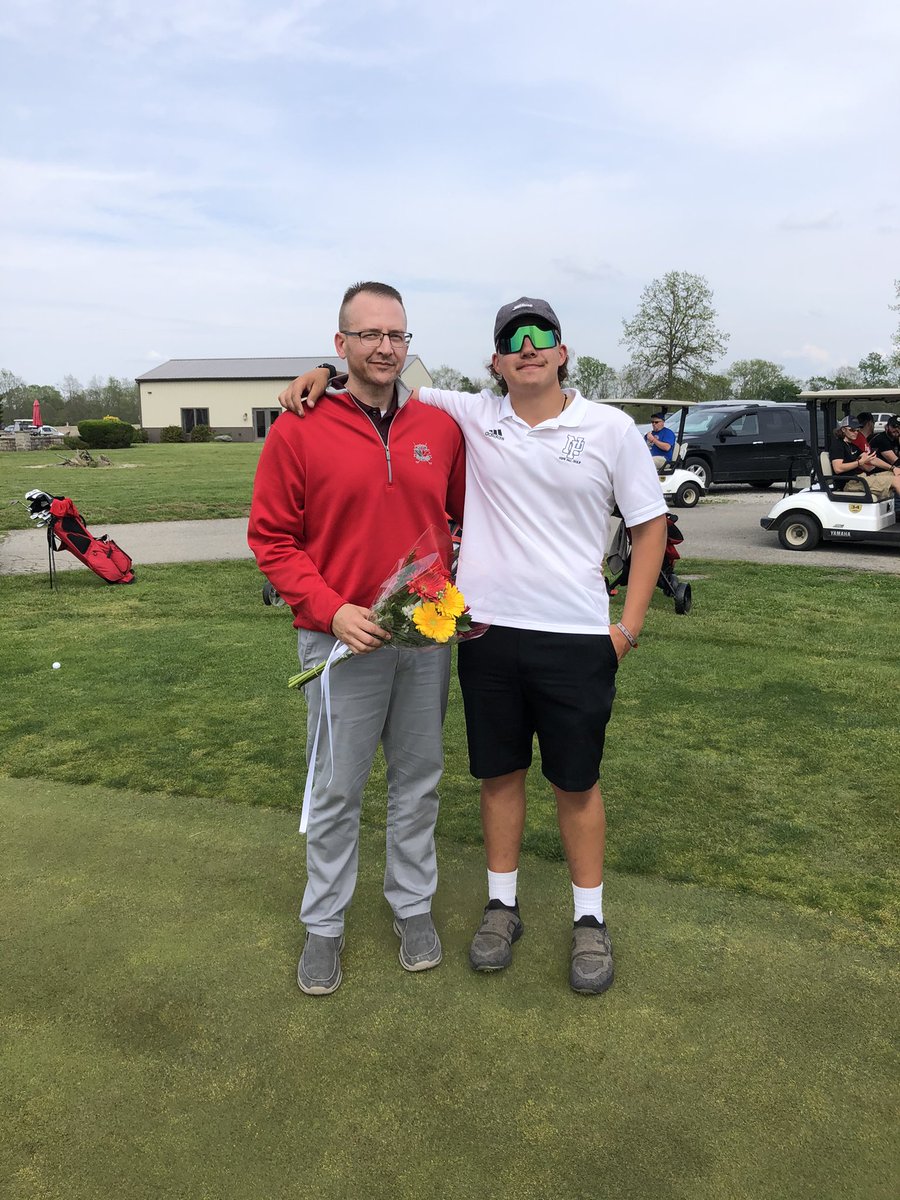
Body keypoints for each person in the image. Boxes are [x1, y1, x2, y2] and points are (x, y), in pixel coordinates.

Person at [279, 296, 668, 995]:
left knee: (521, 783)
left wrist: (627, 628)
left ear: (561, 349)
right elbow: (277, 532)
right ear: (494, 359)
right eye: (512, 339)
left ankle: (546, 917)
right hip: (423, 636)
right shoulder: (447, 415)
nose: (527, 347)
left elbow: (646, 525)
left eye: (541, 335)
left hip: (522, 638)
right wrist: (321, 371)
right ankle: (379, 921)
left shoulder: (580, 426)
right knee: (416, 784)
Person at [248, 281, 466, 996]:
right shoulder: (299, 427)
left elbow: (461, 519)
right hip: (341, 641)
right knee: (338, 788)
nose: (385, 347)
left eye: (396, 335)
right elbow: (272, 539)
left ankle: (411, 907)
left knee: (418, 781)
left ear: (409, 343)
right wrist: (331, 608)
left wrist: (448, 585)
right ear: (340, 345)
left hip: (424, 639)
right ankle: (325, 925)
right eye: (369, 335)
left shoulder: (439, 427)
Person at [829, 418, 900, 501]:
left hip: (860, 479)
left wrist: (893, 468)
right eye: (852, 430)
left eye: (857, 430)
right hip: (850, 483)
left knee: (897, 474)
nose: (856, 433)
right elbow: (838, 468)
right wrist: (859, 462)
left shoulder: (852, 446)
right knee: (896, 481)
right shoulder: (838, 445)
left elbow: (872, 459)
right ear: (843, 430)